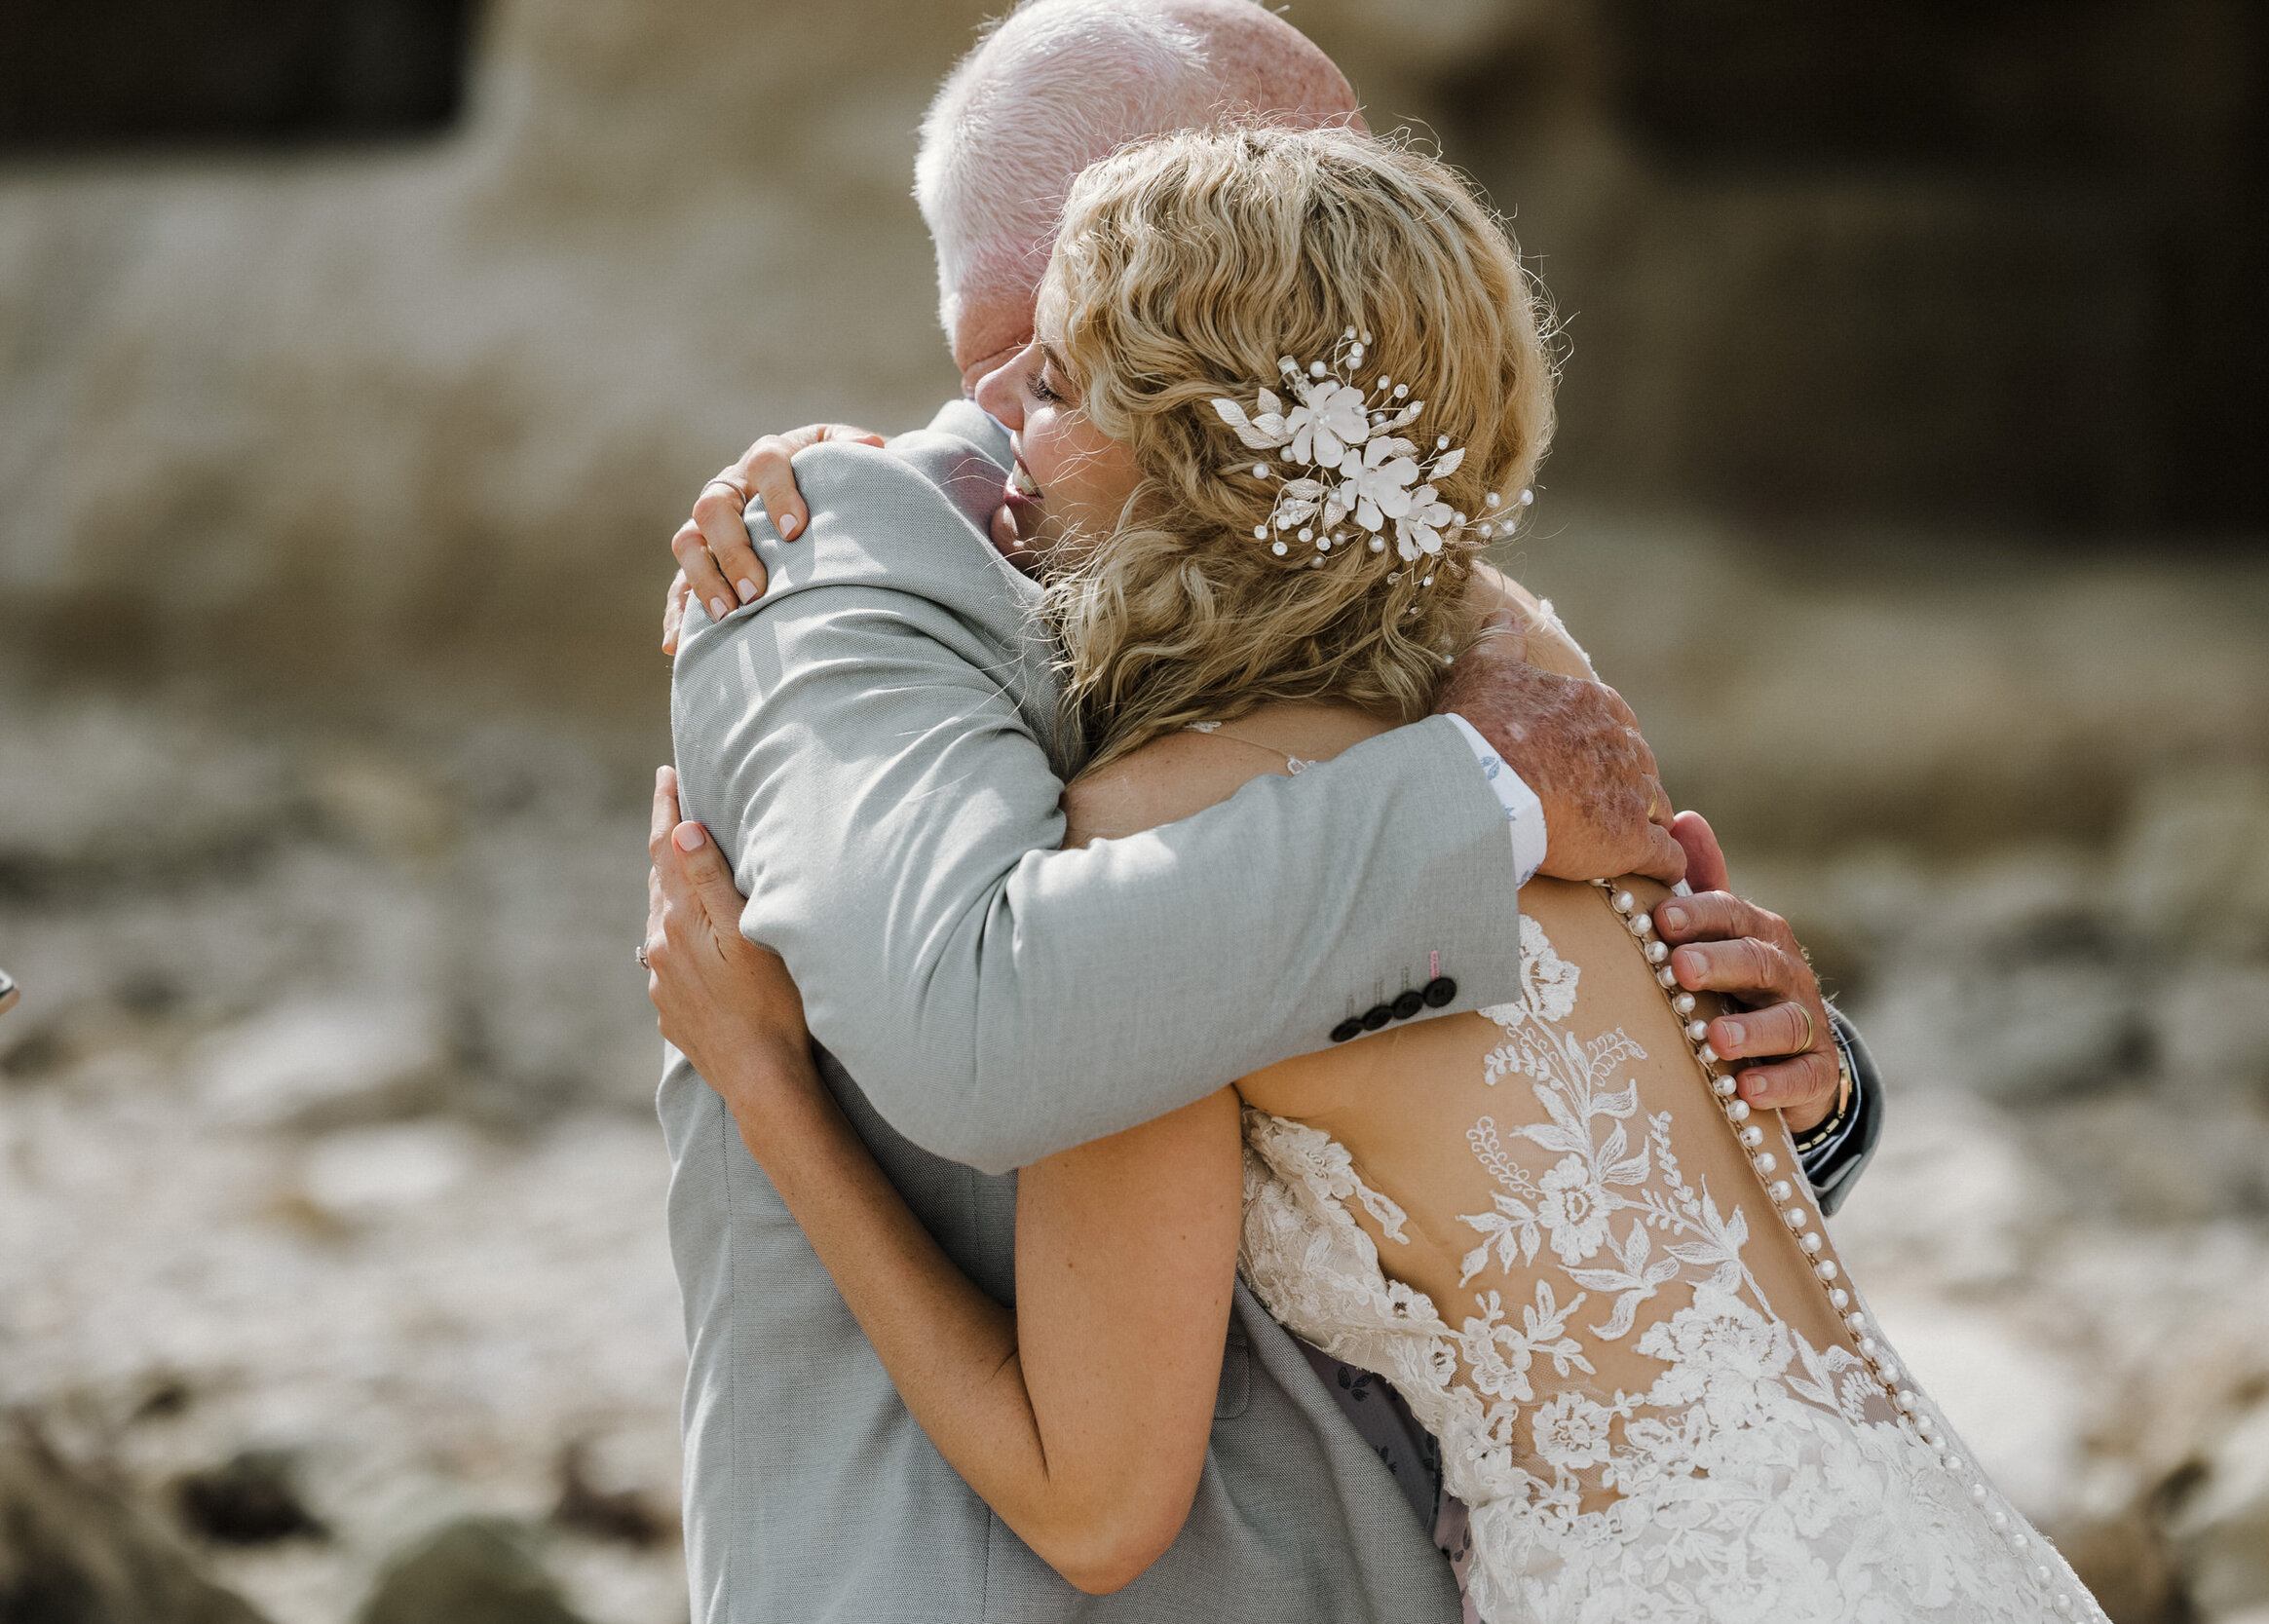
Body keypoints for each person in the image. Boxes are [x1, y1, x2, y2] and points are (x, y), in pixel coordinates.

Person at [649, 122, 2104, 1622]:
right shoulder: (1526, 686)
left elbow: (1093, 1506)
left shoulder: (1152, 840)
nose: (992, 416)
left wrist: (767, 1082)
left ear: (1193, 452)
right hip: (1938, 1557)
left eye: (1059, 379)